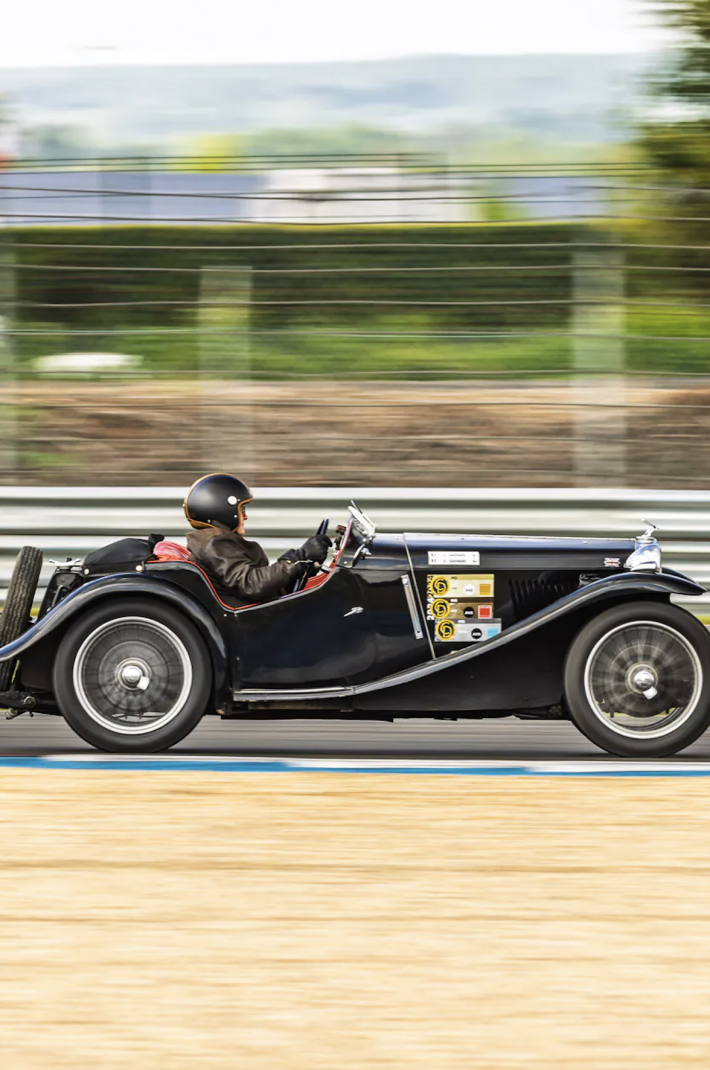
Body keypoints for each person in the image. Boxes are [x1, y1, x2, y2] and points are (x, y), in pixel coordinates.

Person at [184, 473, 332, 607]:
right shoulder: (215, 543)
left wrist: (305, 566)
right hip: (250, 625)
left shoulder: (214, 542)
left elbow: (266, 587)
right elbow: (252, 584)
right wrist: (300, 557)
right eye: (242, 510)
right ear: (223, 511)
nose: (246, 516)